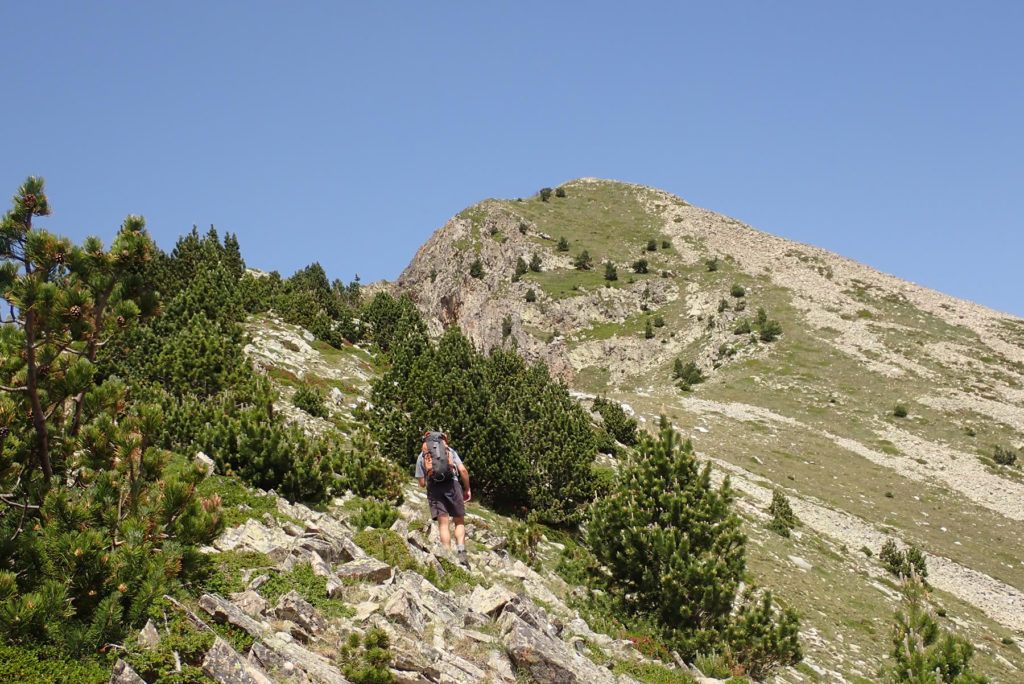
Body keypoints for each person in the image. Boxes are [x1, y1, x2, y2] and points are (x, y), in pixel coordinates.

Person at [415, 432, 471, 561]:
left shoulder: (422, 456)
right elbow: (463, 470)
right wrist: (467, 488)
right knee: (459, 520)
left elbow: (422, 483)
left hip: (435, 489)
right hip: (453, 485)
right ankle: (461, 550)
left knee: (443, 524)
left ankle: (447, 555)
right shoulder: (449, 451)